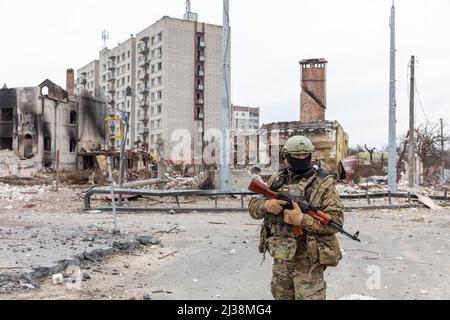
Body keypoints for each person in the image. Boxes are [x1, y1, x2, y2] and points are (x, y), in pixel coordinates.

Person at [248, 135, 344, 300]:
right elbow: (253, 208)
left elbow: (335, 223)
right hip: (281, 256)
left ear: (310, 155)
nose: (301, 158)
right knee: (280, 296)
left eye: (304, 154)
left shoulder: (323, 183)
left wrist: (301, 220)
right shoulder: (277, 179)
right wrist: (266, 205)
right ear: (286, 156)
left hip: (308, 262)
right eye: (296, 155)